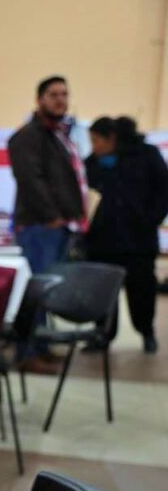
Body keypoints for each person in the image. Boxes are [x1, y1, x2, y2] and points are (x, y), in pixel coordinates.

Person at [85, 116, 168, 353]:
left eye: (96, 140)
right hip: (102, 240)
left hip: (138, 240)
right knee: (102, 290)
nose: (94, 146)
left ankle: (146, 332)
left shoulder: (147, 155)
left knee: (142, 289)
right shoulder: (93, 162)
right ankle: (103, 335)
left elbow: (164, 190)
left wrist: (151, 219)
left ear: (112, 138)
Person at [7, 75, 86, 274]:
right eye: (53, 95)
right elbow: (30, 180)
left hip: (60, 226)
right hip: (41, 227)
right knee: (43, 290)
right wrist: (52, 217)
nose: (61, 100)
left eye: (64, 94)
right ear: (39, 100)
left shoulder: (59, 136)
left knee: (57, 288)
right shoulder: (27, 136)